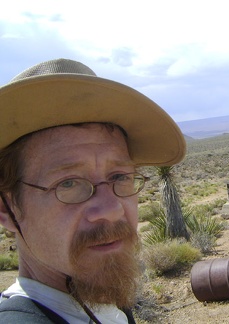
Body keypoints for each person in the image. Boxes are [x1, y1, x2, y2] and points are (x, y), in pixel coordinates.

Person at [0, 58, 186, 323]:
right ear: (7, 209)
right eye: (68, 183)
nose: (111, 210)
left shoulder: (107, 308)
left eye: (120, 176)